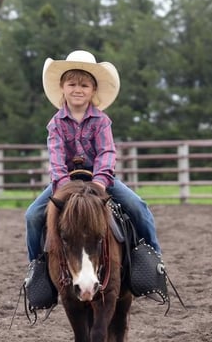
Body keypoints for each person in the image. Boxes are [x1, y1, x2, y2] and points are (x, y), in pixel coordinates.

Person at [24, 49, 162, 289]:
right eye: (72, 84)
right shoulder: (55, 124)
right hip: (66, 182)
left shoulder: (101, 121)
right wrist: (63, 184)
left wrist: (100, 181)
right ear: (63, 87)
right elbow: (56, 157)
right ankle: (37, 268)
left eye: (84, 85)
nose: (78, 89)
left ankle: (153, 259)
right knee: (33, 216)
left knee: (138, 207)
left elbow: (106, 152)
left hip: (100, 181)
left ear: (93, 90)